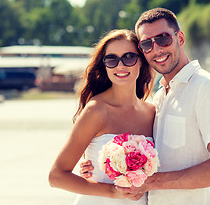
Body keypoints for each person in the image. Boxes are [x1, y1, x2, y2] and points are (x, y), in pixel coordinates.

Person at [81, 8, 210, 205]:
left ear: (180, 38)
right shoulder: (159, 98)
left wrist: (150, 182)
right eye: (147, 44)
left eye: (163, 39)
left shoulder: (207, 87)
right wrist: (99, 165)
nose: (156, 49)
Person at [48, 29, 156, 205]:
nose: (120, 66)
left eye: (129, 57)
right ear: (105, 66)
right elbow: (56, 176)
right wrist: (112, 192)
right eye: (112, 59)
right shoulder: (96, 111)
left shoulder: (152, 113)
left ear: (141, 62)